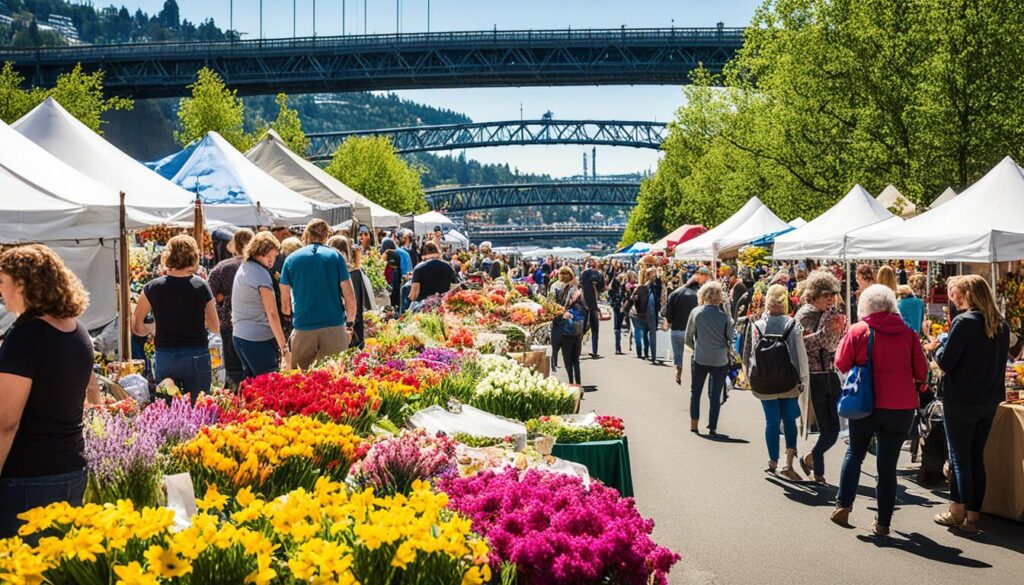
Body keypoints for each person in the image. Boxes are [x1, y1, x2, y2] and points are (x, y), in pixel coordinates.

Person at [0, 245, 102, 539]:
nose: (1, 292)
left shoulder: (26, 336)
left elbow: (7, 421)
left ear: (23, 284)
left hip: (29, 477)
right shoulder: (77, 330)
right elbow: (89, 384)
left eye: (3, 283)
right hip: (70, 468)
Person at [832, 284, 927, 536]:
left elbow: (841, 363)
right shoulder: (908, 333)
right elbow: (922, 371)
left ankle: (844, 506)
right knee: (887, 466)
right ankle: (883, 522)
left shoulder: (858, 330)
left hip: (866, 403)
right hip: (901, 406)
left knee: (855, 452)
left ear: (866, 305)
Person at [931, 275, 1009, 534]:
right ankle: (970, 515)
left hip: (962, 399)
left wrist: (938, 346)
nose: (957, 299)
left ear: (970, 295)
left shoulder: (963, 323)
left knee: (961, 459)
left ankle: (961, 513)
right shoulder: (1001, 324)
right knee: (975, 458)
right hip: (989, 400)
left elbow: (946, 362)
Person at [133, 235, 219, 402]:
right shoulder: (201, 286)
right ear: (193, 256)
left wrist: (152, 328)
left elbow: (137, 327)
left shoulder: (152, 287)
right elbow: (215, 326)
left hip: (166, 355)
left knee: (166, 410)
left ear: (168, 256)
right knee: (199, 408)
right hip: (197, 353)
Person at [749, 284, 809, 479]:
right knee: (789, 420)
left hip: (764, 381)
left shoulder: (758, 325)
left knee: (771, 421)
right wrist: (802, 380)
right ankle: (789, 459)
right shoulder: (792, 324)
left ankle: (773, 461)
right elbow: (799, 354)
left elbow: (751, 354)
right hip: (788, 380)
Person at [280, 219, 357, 370]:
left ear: (306, 235)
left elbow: (285, 304)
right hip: (334, 326)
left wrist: (289, 321)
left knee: (301, 381)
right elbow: (350, 297)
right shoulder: (336, 257)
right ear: (326, 236)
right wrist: (349, 325)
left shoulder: (290, 259)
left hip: (303, 326)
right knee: (335, 378)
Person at [795, 271, 847, 483]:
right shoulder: (805, 315)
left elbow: (833, 344)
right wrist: (827, 332)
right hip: (815, 376)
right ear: (814, 295)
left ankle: (811, 459)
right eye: (826, 294)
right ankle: (818, 470)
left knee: (833, 428)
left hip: (830, 374)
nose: (830, 299)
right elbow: (805, 344)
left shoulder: (831, 314)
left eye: (833, 294)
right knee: (829, 428)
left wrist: (833, 332)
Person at [231, 232, 288, 380]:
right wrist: (284, 347)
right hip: (257, 338)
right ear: (265, 252)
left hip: (240, 336)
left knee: (250, 386)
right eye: (273, 255)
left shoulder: (245, 267)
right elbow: (272, 313)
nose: (274, 260)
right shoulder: (260, 274)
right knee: (269, 384)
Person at [685, 281, 734, 436]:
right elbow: (731, 338)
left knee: (696, 391)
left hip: (700, 357)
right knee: (715, 394)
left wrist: (697, 348)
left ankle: (694, 424)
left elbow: (688, 337)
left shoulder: (696, 312)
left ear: (702, 295)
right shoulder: (725, 317)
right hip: (720, 360)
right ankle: (712, 426)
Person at [207, 228, 254, 388]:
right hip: (254, 324)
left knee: (233, 370)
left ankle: (235, 401)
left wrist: (222, 298)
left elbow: (208, 297)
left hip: (227, 324)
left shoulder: (221, 267)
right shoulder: (257, 267)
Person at [327, 235, 374, 349]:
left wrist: (349, 326)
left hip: (347, 329)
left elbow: (354, 303)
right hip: (346, 327)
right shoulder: (351, 273)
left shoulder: (351, 273)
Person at [664, 267, 707, 385]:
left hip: (677, 329)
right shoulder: (700, 295)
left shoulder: (675, 293)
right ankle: (695, 376)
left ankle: (678, 369)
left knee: (678, 354)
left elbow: (669, 316)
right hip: (694, 332)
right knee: (695, 354)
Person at [549, 266, 585, 385]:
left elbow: (551, 305)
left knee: (567, 358)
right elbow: (583, 305)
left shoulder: (555, 287)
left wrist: (561, 312)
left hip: (562, 325)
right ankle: (578, 383)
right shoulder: (576, 287)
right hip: (576, 325)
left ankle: (571, 382)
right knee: (576, 358)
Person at [624, 268, 653, 360]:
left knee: (637, 332)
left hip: (637, 314)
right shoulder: (651, 288)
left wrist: (626, 309)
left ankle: (639, 352)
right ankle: (646, 353)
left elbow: (631, 300)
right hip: (647, 315)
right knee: (645, 334)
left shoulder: (639, 288)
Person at [580, 258, 606, 358]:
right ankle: (595, 350)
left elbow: (581, 286)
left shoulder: (583, 274)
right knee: (595, 329)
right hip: (594, 305)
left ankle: (578, 350)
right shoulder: (599, 274)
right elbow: (602, 288)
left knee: (583, 329)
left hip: (585, 304)